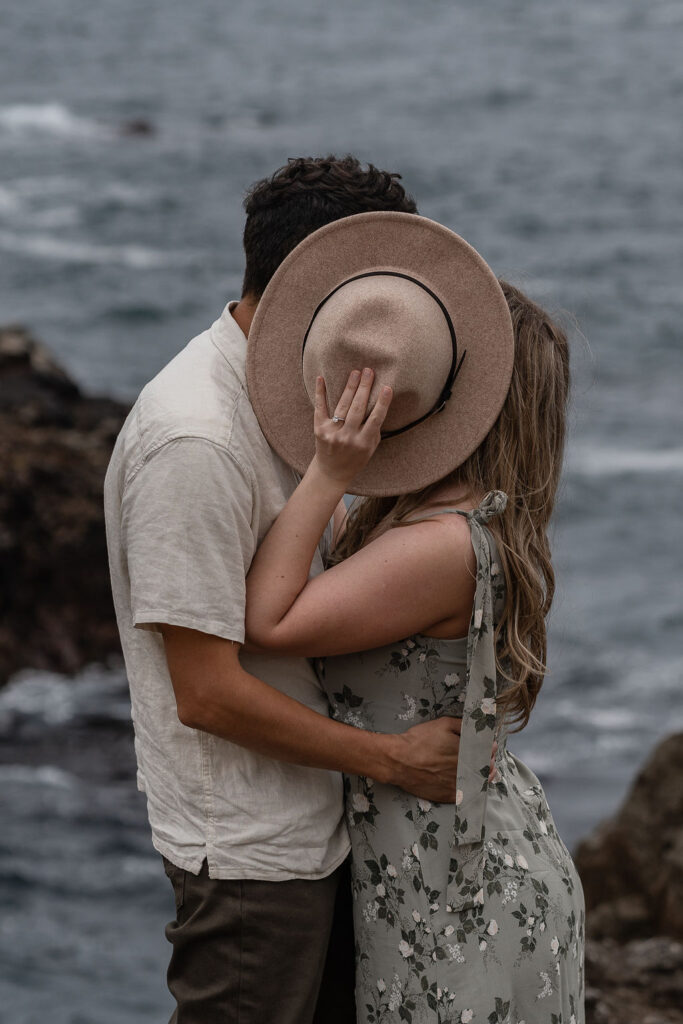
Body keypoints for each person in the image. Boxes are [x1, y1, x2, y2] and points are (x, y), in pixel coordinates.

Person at [103, 157, 495, 1024]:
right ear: (313, 284)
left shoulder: (283, 400)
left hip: (309, 829)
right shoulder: (197, 441)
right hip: (251, 854)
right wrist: (391, 760)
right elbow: (204, 694)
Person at [243, 211, 586, 1022]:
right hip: (434, 868)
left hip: (458, 890)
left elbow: (269, 621)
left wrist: (329, 469)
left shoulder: (442, 544)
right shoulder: (429, 521)